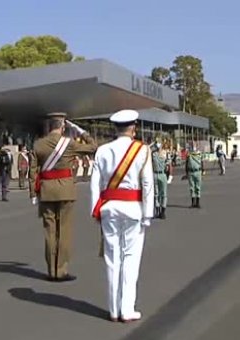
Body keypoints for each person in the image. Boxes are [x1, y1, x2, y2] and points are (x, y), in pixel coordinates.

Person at [90, 109, 153, 323]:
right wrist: (148, 214)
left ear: (114, 128)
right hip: (133, 208)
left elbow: (94, 184)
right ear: (133, 127)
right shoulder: (142, 150)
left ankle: (113, 309)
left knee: (112, 258)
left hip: (109, 208)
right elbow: (147, 184)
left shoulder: (102, 150)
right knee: (130, 259)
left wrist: (95, 210)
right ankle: (127, 308)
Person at [29, 112, 97, 282]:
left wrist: (33, 193)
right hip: (66, 190)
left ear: (49, 126)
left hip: (46, 191)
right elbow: (93, 147)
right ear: (63, 126)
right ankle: (61, 270)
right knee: (64, 231)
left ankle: (51, 270)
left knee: (49, 232)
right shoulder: (69, 144)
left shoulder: (38, 144)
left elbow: (33, 171)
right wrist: (81, 132)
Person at [185, 143, 205, 208]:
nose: (193, 147)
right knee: (192, 188)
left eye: (194, 146)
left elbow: (202, 162)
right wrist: (186, 173)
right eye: (192, 146)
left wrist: (203, 170)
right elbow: (186, 164)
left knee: (198, 187)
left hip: (198, 171)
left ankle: (198, 203)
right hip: (191, 171)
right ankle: (193, 203)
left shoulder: (199, 154)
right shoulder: (188, 155)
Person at [151, 142, 168, 219]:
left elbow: (168, 164)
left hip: (163, 174)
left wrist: (169, 175)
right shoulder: (153, 154)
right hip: (155, 174)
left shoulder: (165, 153)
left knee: (163, 193)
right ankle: (157, 211)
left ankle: (163, 212)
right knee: (156, 193)